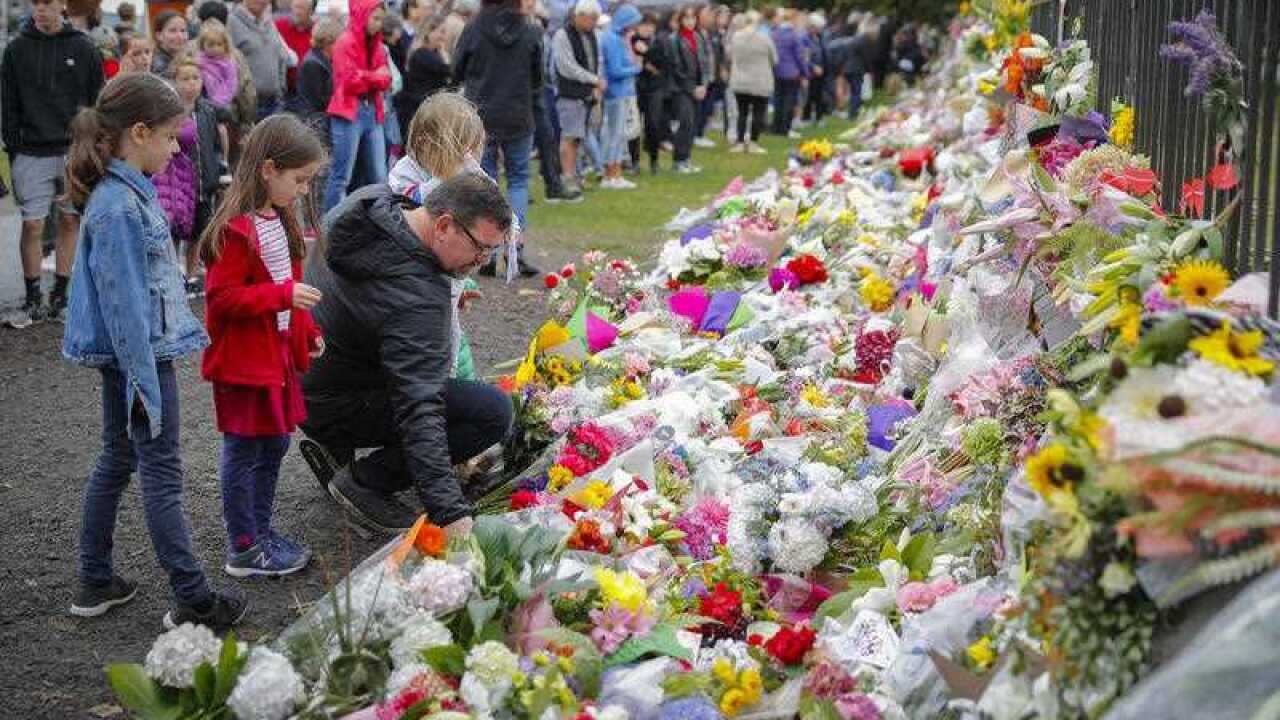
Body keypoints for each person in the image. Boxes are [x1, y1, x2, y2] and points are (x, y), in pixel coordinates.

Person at [62, 73, 246, 630]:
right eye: (169, 137)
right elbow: (124, 309)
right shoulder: (118, 208)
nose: (175, 148)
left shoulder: (125, 195)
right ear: (138, 132)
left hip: (136, 359)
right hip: (139, 363)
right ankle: (192, 597)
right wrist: (145, 382)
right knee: (160, 474)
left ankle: (95, 580)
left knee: (117, 459)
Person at [298, 173, 514, 534]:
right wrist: (449, 513)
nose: (481, 260)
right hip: (337, 401)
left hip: (312, 379)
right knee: (492, 412)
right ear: (444, 225)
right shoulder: (417, 297)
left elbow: (373, 306)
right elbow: (420, 406)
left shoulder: (372, 203)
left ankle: (339, 445)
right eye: (480, 248)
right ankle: (366, 482)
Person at [198, 115, 325, 577]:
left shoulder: (281, 219)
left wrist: (306, 332)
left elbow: (291, 285)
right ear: (268, 169)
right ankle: (245, 547)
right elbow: (224, 299)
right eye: (300, 180)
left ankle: (261, 531)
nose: (304, 190)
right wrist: (282, 298)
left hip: (276, 359)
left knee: (273, 446)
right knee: (245, 450)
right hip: (243, 364)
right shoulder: (235, 229)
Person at [1, 0, 104, 328]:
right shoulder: (16, 49)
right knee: (32, 224)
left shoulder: (84, 48)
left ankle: (61, 293)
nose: (40, 9)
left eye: (47, 3)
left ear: (62, 4)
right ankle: (32, 296)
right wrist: (14, 146)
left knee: (70, 221)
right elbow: (8, 101)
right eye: (36, 3)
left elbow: (96, 101)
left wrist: (90, 147)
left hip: (72, 149)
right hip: (30, 151)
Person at [387, 93, 491, 382]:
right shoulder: (405, 174)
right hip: (412, 284)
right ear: (426, 146)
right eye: (459, 153)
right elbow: (413, 201)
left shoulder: (458, 179)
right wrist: (450, 178)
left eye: (471, 152)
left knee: (457, 351)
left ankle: (459, 391)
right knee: (431, 353)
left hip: (446, 278)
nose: (466, 161)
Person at [453, 0, 544, 278]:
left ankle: (488, 249)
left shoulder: (473, 28)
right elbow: (538, 75)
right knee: (518, 180)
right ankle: (515, 245)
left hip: (482, 113)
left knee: (485, 180)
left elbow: (457, 69)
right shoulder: (530, 30)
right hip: (518, 112)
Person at [151, 56, 224, 296]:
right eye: (185, 78)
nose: (191, 84)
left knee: (197, 234)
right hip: (177, 185)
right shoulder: (168, 111)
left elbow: (214, 143)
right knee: (173, 231)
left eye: (196, 78)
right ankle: (172, 274)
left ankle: (192, 275)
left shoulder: (207, 110)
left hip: (203, 184)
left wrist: (218, 170)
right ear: (174, 81)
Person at [322, 0, 392, 212]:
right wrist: (374, 76)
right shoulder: (345, 42)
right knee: (342, 175)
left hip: (372, 111)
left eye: (381, 19)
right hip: (348, 113)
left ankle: (380, 222)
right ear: (363, 15)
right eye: (375, 18)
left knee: (379, 175)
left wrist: (365, 76)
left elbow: (387, 79)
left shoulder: (378, 45)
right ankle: (330, 224)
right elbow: (348, 81)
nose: (378, 24)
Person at [550, 0, 604, 199]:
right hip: (569, 95)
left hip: (587, 95)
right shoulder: (562, 35)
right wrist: (594, 80)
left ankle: (576, 175)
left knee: (579, 138)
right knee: (570, 138)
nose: (593, 23)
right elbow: (566, 66)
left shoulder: (591, 35)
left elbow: (595, 63)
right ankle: (568, 178)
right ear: (579, 16)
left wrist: (595, 84)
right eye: (591, 18)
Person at [600, 3, 640, 190]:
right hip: (616, 93)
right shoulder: (613, 39)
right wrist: (636, 69)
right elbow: (615, 70)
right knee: (614, 135)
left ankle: (615, 174)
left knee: (618, 134)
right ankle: (611, 174)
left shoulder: (617, 37)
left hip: (621, 92)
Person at [228, 0, 289, 120]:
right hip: (247, 108)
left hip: (274, 104)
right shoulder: (231, 22)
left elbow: (281, 56)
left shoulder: (269, 22)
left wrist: (281, 89)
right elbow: (226, 63)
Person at [394, 14, 453, 139]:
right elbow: (449, 71)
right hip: (417, 111)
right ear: (429, 32)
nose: (444, 36)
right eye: (441, 32)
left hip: (424, 110)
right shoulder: (423, 54)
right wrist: (444, 53)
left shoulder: (429, 53)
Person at [728, 10, 773, 154]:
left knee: (742, 112)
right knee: (758, 113)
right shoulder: (765, 38)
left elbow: (731, 55)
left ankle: (740, 142)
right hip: (760, 79)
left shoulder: (736, 37)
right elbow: (775, 58)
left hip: (740, 79)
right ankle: (753, 142)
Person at [667, 5, 704, 174]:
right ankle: (678, 160)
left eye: (693, 17)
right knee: (685, 122)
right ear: (680, 20)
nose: (690, 21)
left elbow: (704, 63)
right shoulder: (674, 39)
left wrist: (703, 84)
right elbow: (676, 69)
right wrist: (692, 88)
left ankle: (686, 158)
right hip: (681, 88)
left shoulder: (698, 37)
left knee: (692, 124)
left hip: (697, 87)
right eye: (686, 18)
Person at [633, 12, 666, 174]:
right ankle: (634, 161)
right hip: (636, 87)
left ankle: (654, 160)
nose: (647, 29)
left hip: (654, 87)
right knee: (634, 126)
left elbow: (662, 63)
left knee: (653, 124)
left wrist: (646, 54)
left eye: (650, 25)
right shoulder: (631, 40)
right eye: (644, 25)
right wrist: (648, 63)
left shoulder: (658, 41)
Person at [770, 8, 807, 138]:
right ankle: (785, 128)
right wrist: (804, 73)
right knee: (789, 102)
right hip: (792, 73)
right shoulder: (793, 35)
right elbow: (800, 57)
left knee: (778, 100)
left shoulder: (775, 33)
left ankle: (777, 127)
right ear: (792, 20)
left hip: (777, 72)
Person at [276, 0, 316, 110]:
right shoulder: (279, 26)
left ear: (311, 12)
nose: (297, 12)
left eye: (301, 8)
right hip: (285, 92)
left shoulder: (317, 31)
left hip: (308, 94)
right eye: (295, 7)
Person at [691, 4, 720, 148]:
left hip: (711, 76)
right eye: (707, 14)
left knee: (707, 107)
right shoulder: (695, 34)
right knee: (699, 108)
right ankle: (696, 134)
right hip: (701, 77)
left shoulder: (709, 32)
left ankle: (700, 133)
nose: (710, 17)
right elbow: (699, 58)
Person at [802, 13, 828, 124]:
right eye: (818, 28)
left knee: (819, 96)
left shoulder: (819, 37)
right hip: (811, 72)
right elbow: (804, 56)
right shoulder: (804, 38)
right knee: (808, 96)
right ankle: (806, 117)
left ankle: (819, 117)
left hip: (821, 71)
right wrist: (813, 67)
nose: (820, 30)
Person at [151, 11, 189, 77]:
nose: (180, 36)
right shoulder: (156, 66)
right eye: (173, 30)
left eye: (183, 30)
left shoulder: (187, 57)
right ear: (159, 35)